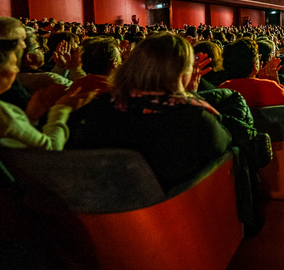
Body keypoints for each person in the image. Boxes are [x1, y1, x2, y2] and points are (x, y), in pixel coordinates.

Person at [66, 34, 233, 191]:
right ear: (180, 72)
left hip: (104, 202)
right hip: (171, 206)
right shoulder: (192, 115)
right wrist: (188, 96)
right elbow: (223, 146)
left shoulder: (102, 105)